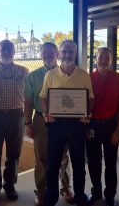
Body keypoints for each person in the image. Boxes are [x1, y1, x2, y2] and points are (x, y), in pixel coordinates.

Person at [39, 39, 94, 206]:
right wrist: (46, 113)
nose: (67, 54)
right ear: (59, 54)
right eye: (64, 51)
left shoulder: (84, 75)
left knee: (78, 163)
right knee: (53, 163)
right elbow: (43, 97)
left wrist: (87, 113)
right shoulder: (50, 75)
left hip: (77, 124)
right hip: (56, 124)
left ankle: (80, 196)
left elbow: (90, 98)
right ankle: (51, 197)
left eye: (71, 51)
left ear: (75, 53)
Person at [24, 42, 74, 206]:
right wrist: (28, 123)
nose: (47, 55)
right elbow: (29, 101)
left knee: (63, 156)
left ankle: (65, 187)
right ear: (40, 55)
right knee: (42, 157)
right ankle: (41, 191)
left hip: (63, 120)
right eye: (44, 53)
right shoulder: (33, 76)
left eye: (51, 52)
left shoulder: (66, 72)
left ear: (57, 54)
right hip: (41, 119)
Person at [86, 47, 119, 206]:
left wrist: (118, 130)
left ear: (111, 60)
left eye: (107, 58)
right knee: (93, 162)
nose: (104, 60)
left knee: (111, 163)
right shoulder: (88, 78)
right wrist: (85, 128)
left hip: (111, 125)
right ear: (95, 59)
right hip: (92, 126)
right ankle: (96, 193)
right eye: (101, 57)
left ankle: (110, 196)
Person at [0, 40, 28, 202]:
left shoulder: (23, 71)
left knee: (13, 154)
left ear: (14, 51)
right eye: (3, 49)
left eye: (9, 49)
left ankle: (9, 185)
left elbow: (29, 95)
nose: (6, 51)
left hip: (16, 116)